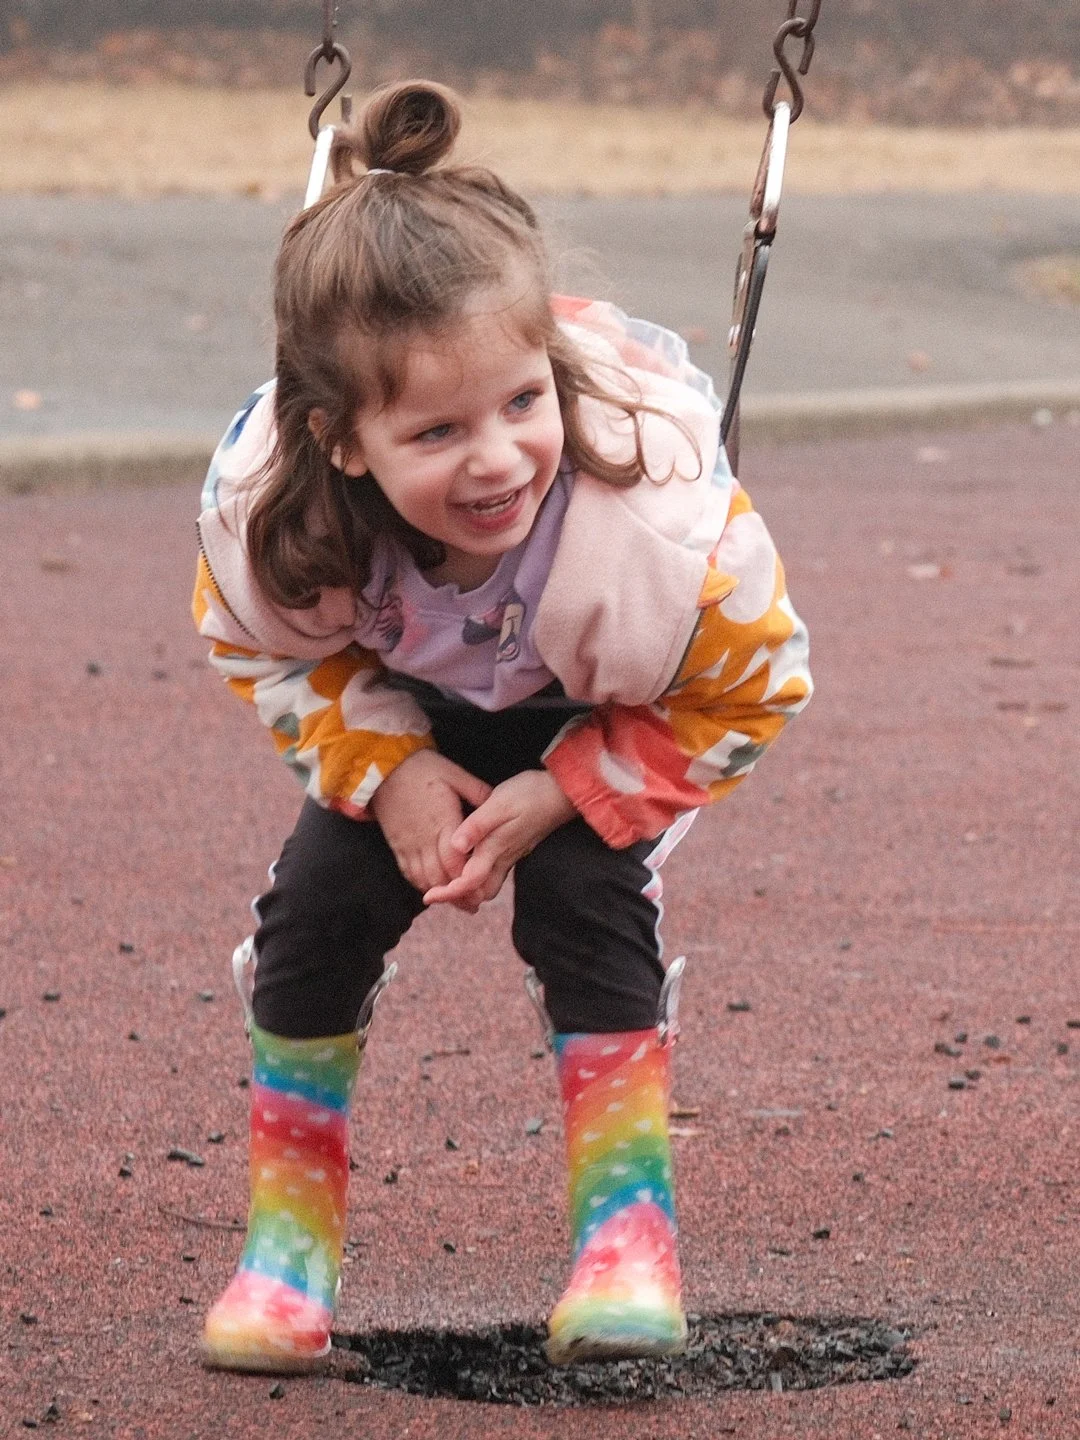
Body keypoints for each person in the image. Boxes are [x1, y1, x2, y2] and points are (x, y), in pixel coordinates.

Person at [193, 79, 812, 1375]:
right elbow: (261, 650)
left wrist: (567, 787)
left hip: (610, 709)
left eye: (522, 403)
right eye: (437, 430)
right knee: (313, 916)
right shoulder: (280, 521)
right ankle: (287, 1247)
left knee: (586, 908)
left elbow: (754, 689)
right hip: (404, 713)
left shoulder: (653, 525)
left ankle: (627, 1242)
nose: (496, 459)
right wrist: (395, 769)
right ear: (342, 443)